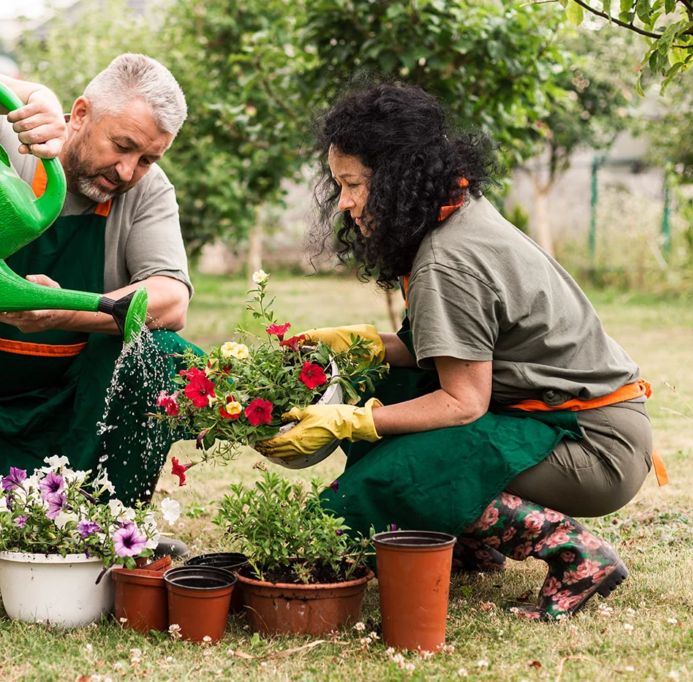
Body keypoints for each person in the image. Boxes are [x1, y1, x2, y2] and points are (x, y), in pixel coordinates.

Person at [256, 83, 666, 622]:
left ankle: (578, 556)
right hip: (568, 422)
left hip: (592, 449)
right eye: (340, 185)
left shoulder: (447, 260)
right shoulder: (460, 211)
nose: (346, 203)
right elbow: (444, 350)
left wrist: (349, 421)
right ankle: (472, 542)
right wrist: (355, 344)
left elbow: (463, 402)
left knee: (404, 471)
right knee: (398, 392)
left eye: (354, 185)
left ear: (400, 179)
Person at [0, 55, 196, 515]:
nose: (126, 172)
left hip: (72, 399)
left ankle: (112, 523)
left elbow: (172, 300)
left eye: (147, 159)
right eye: (122, 145)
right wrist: (31, 93)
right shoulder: (11, 134)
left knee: (162, 352)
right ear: (79, 115)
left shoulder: (147, 189)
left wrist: (64, 311)